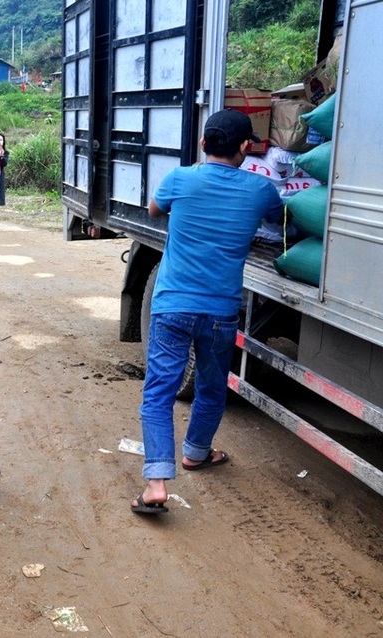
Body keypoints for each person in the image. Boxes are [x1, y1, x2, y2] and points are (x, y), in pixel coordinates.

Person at [131, 109, 283, 515]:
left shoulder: (180, 178)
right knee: (213, 387)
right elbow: (279, 219)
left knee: (159, 391)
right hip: (221, 311)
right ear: (246, 148)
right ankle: (196, 453)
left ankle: (156, 482)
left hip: (172, 306)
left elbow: (153, 209)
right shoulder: (261, 189)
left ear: (202, 143)